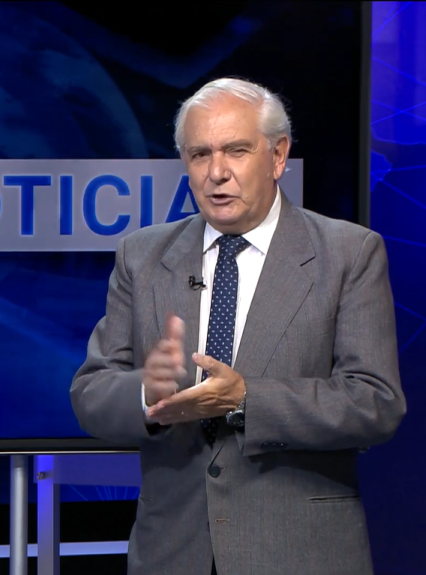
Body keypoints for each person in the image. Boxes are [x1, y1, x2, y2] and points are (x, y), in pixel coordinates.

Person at [69, 77, 407, 575]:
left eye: (236, 151)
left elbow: (375, 402)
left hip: (299, 554)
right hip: (172, 554)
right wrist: (146, 393)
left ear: (278, 156)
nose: (217, 173)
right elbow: (90, 394)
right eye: (200, 155)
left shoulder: (348, 254)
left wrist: (246, 398)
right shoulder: (142, 256)